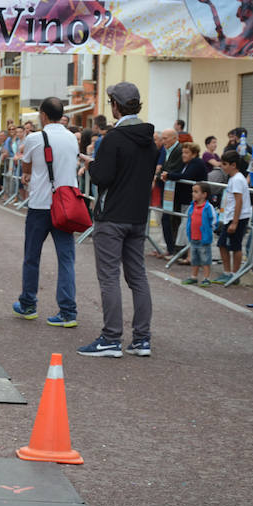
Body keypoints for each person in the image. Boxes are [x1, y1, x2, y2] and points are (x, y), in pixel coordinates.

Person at [77, 81, 158, 358]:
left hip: (112, 216)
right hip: (138, 216)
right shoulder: (150, 139)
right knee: (138, 277)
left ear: (115, 105)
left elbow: (102, 178)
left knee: (109, 277)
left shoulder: (113, 139)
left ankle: (111, 338)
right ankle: (142, 339)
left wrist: (90, 164)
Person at [12, 97, 79, 326]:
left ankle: (28, 304)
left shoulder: (34, 138)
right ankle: (68, 311)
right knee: (66, 259)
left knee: (32, 257)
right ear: (62, 115)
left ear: (42, 115)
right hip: (65, 206)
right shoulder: (72, 137)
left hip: (40, 204)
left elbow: (27, 165)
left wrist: (29, 172)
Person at [213, 151, 252, 284]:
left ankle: (234, 274)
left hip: (238, 218)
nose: (222, 167)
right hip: (231, 216)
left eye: (225, 164)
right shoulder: (234, 178)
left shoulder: (237, 179)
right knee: (222, 244)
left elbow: (239, 201)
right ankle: (227, 272)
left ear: (233, 165)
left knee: (235, 246)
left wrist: (234, 222)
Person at [182, 182, 216, 287]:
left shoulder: (208, 207)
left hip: (204, 238)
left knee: (205, 259)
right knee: (194, 258)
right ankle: (194, 276)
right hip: (193, 237)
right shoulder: (193, 206)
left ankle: (206, 278)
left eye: (196, 192)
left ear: (204, 194)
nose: (193, 194)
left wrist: (209, 231)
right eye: (193, 191)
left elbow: (213, 220)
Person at [157, 128, 183, 257]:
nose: (163, 141)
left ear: (174, 138)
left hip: (175, 191)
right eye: (162, 138)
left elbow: (171, 170)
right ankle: (171, 249)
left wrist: (163, 173)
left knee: (170, 219)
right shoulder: (167, 149)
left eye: (165, 138)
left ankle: (173, 250)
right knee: (167, 219)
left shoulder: (178, 150)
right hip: (167, 190)